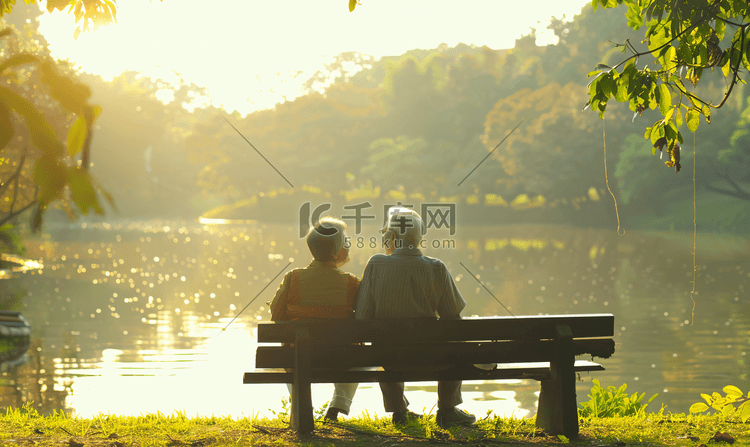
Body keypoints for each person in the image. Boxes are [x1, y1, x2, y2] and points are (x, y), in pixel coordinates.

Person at [355, 207, 477, 428]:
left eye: (385, 232)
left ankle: (399, 412)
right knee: (457, 341)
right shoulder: (437, 268)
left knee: (384, 347)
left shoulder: (376, 264)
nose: (383, 237)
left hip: (388, 358)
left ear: (392, 237)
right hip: (434, 358)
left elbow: (362, 318)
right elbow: (453, 319)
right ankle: (447, 410)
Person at [269, 216, 359, 422]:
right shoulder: (352, 283)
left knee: (290, 349)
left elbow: (276, 315)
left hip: (301, 359)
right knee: (359, 350)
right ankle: (337, 406)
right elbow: (362, 320)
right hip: (340, 360)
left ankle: (301, 407)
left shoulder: (294, 278)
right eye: (345, 243)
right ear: (336, 252)